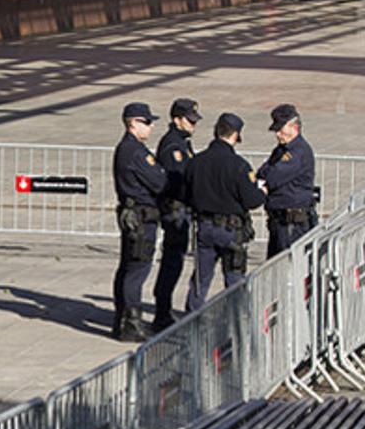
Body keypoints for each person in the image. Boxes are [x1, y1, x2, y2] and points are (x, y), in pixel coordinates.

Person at [184, 113, 266, 312]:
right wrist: (262, 192)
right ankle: (236, 320)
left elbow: (186, 193)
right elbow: (252, 200)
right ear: (235, 135)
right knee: (234, 279)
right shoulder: (239, 166)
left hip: (204, 227)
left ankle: (190, 320)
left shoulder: (197, 162)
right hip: (231, 229)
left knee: (200, 279)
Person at [111, 102, 168, 342]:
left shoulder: (126, 148)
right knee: (137, 268)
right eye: (146, 122)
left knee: (128, 266)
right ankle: (131, 322)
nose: (151, 126)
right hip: (142, 217)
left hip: (134, 214)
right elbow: (159, 180)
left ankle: (122, 319)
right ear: (133, 122)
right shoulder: (135, 151)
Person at [152, 98, 201, 331]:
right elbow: (177, 179)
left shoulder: (182, 142)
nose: (193, 124)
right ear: (176, 120)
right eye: (189, 120)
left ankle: (164, 309)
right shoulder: (173, 145)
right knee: (171, 263)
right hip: (175, 212)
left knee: (176, 262)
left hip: (182, 210)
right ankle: (162, 312)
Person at [257, 103, 317, 257]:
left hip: (292, 223)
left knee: (288, 268)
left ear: (293, 127)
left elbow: (273, 176)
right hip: (279, 222)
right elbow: (262, 172)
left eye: (280, 129)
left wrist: (267, 180)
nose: (278, 134)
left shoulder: (298, 151)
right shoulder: (281, 150)